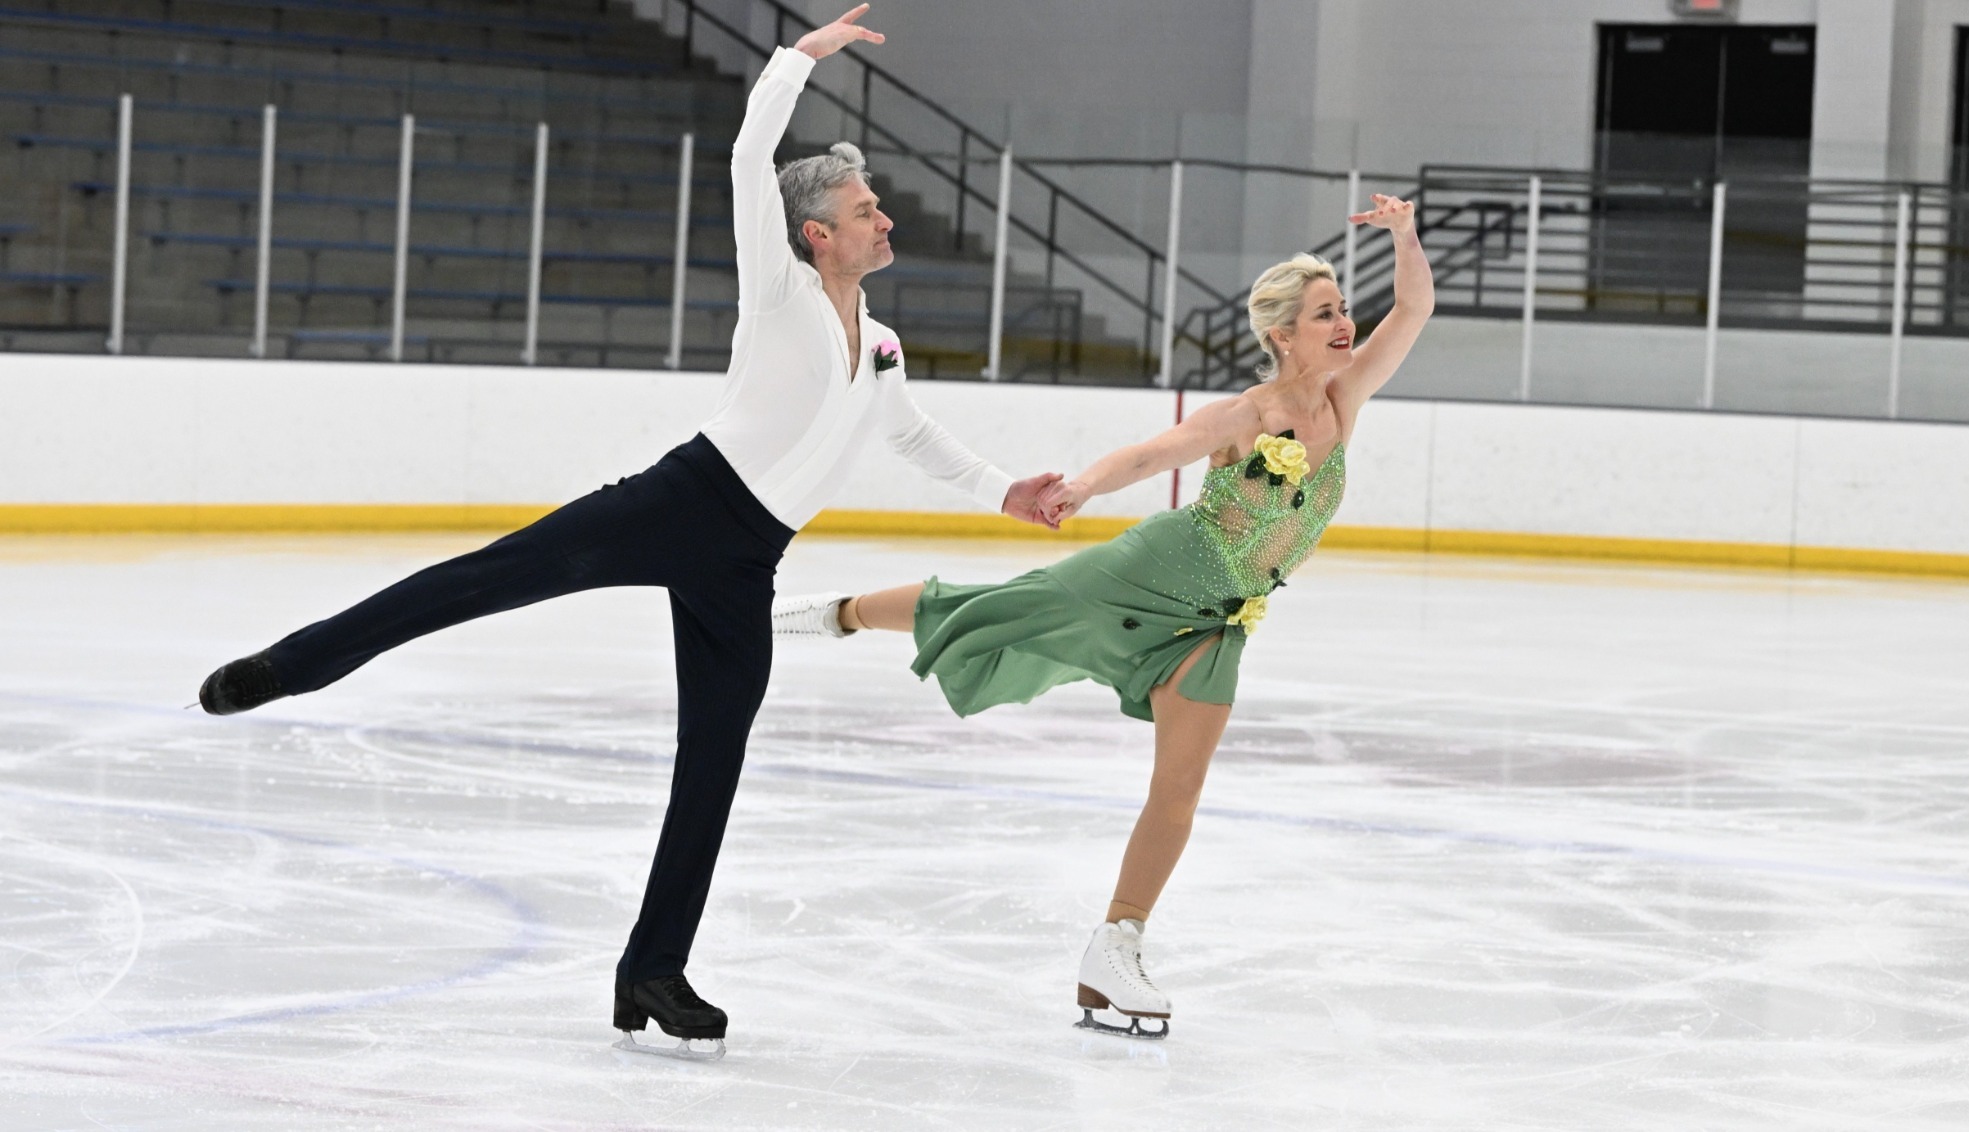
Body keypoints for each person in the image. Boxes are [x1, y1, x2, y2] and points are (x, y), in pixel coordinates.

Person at [196, 3, 1061, 1060]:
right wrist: (798, 59)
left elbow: (914, 435)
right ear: (816, 233)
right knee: (484, 579)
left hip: (746, 560)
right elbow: (751, 151)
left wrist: (1005, 490)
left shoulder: (879, 345)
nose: (885, 220)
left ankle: (653, 967)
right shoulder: (779, 292)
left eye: (878, 205)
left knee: (716, 756)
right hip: (677, 503)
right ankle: (291, 665)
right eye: (865, 207)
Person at [772, 200, 1434, 1037]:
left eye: (1343, 310)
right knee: (997, 611)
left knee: (1180, 789)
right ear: (1282, 334)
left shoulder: (1347, 400)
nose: (1345, 325)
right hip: (1149, 576)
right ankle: (839, 614)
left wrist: (1404, 239)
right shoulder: (1246, 415)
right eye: (1326, 314)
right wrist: (1083, 487)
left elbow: (1413, 310)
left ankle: (1115, 947)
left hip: (1217, 620)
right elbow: (1155, 454)